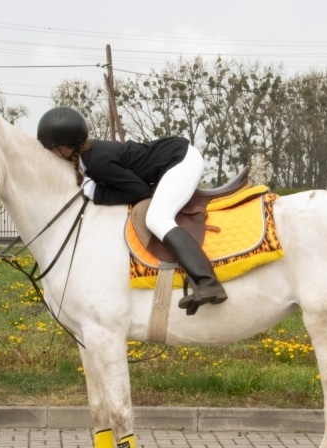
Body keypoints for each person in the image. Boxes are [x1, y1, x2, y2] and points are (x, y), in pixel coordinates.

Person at [36, 106, 227, 315]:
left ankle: (208, 282)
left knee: (158, 218)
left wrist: (99, 193)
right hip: (171, 160)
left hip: (182, 160)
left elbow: (140, 192)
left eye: (50, 148)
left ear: (63, 148)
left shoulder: (98, 160)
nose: (50, 153)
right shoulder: (90, 158)